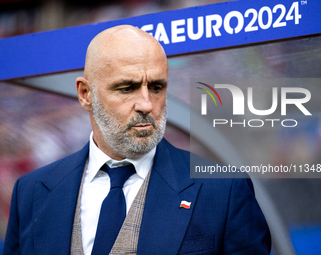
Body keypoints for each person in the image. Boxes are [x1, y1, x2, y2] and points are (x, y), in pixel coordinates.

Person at [3, 25, 271, 254]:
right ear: (85, 94)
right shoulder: (31, 193)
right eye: (127, 88)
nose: (146, 104)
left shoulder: (223, 190)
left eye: (156, 87)